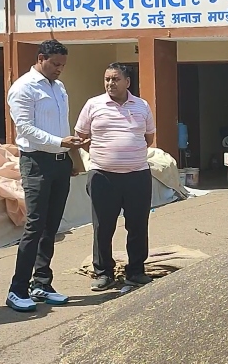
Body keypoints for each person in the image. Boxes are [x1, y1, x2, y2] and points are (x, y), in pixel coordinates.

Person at [6, 39, 85, 312]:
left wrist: (71, 154)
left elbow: (62, 125)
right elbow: (25, 129)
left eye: (63, 65)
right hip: (36, 163)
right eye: (55, 64)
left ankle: (41, 283)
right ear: (41, 58)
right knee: (35, 226)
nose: (59, 69)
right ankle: (17, 289)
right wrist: (58, 142)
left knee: (51, 226)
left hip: (60, 162)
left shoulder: (59, 87)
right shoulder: (23, 88)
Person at [74, 63, 156, 291]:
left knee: (138, 225)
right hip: (103, 176)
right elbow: (80, 136)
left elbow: (148, 138)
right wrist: (105, 154)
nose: (110, 83)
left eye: (115, 79)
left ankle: (136, 272)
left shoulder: (142, 106)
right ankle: (103, 273)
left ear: (127, 82)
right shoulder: (93, 104)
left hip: (137, 176)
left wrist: (127, 153)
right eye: (107, 79)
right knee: (103, 227)